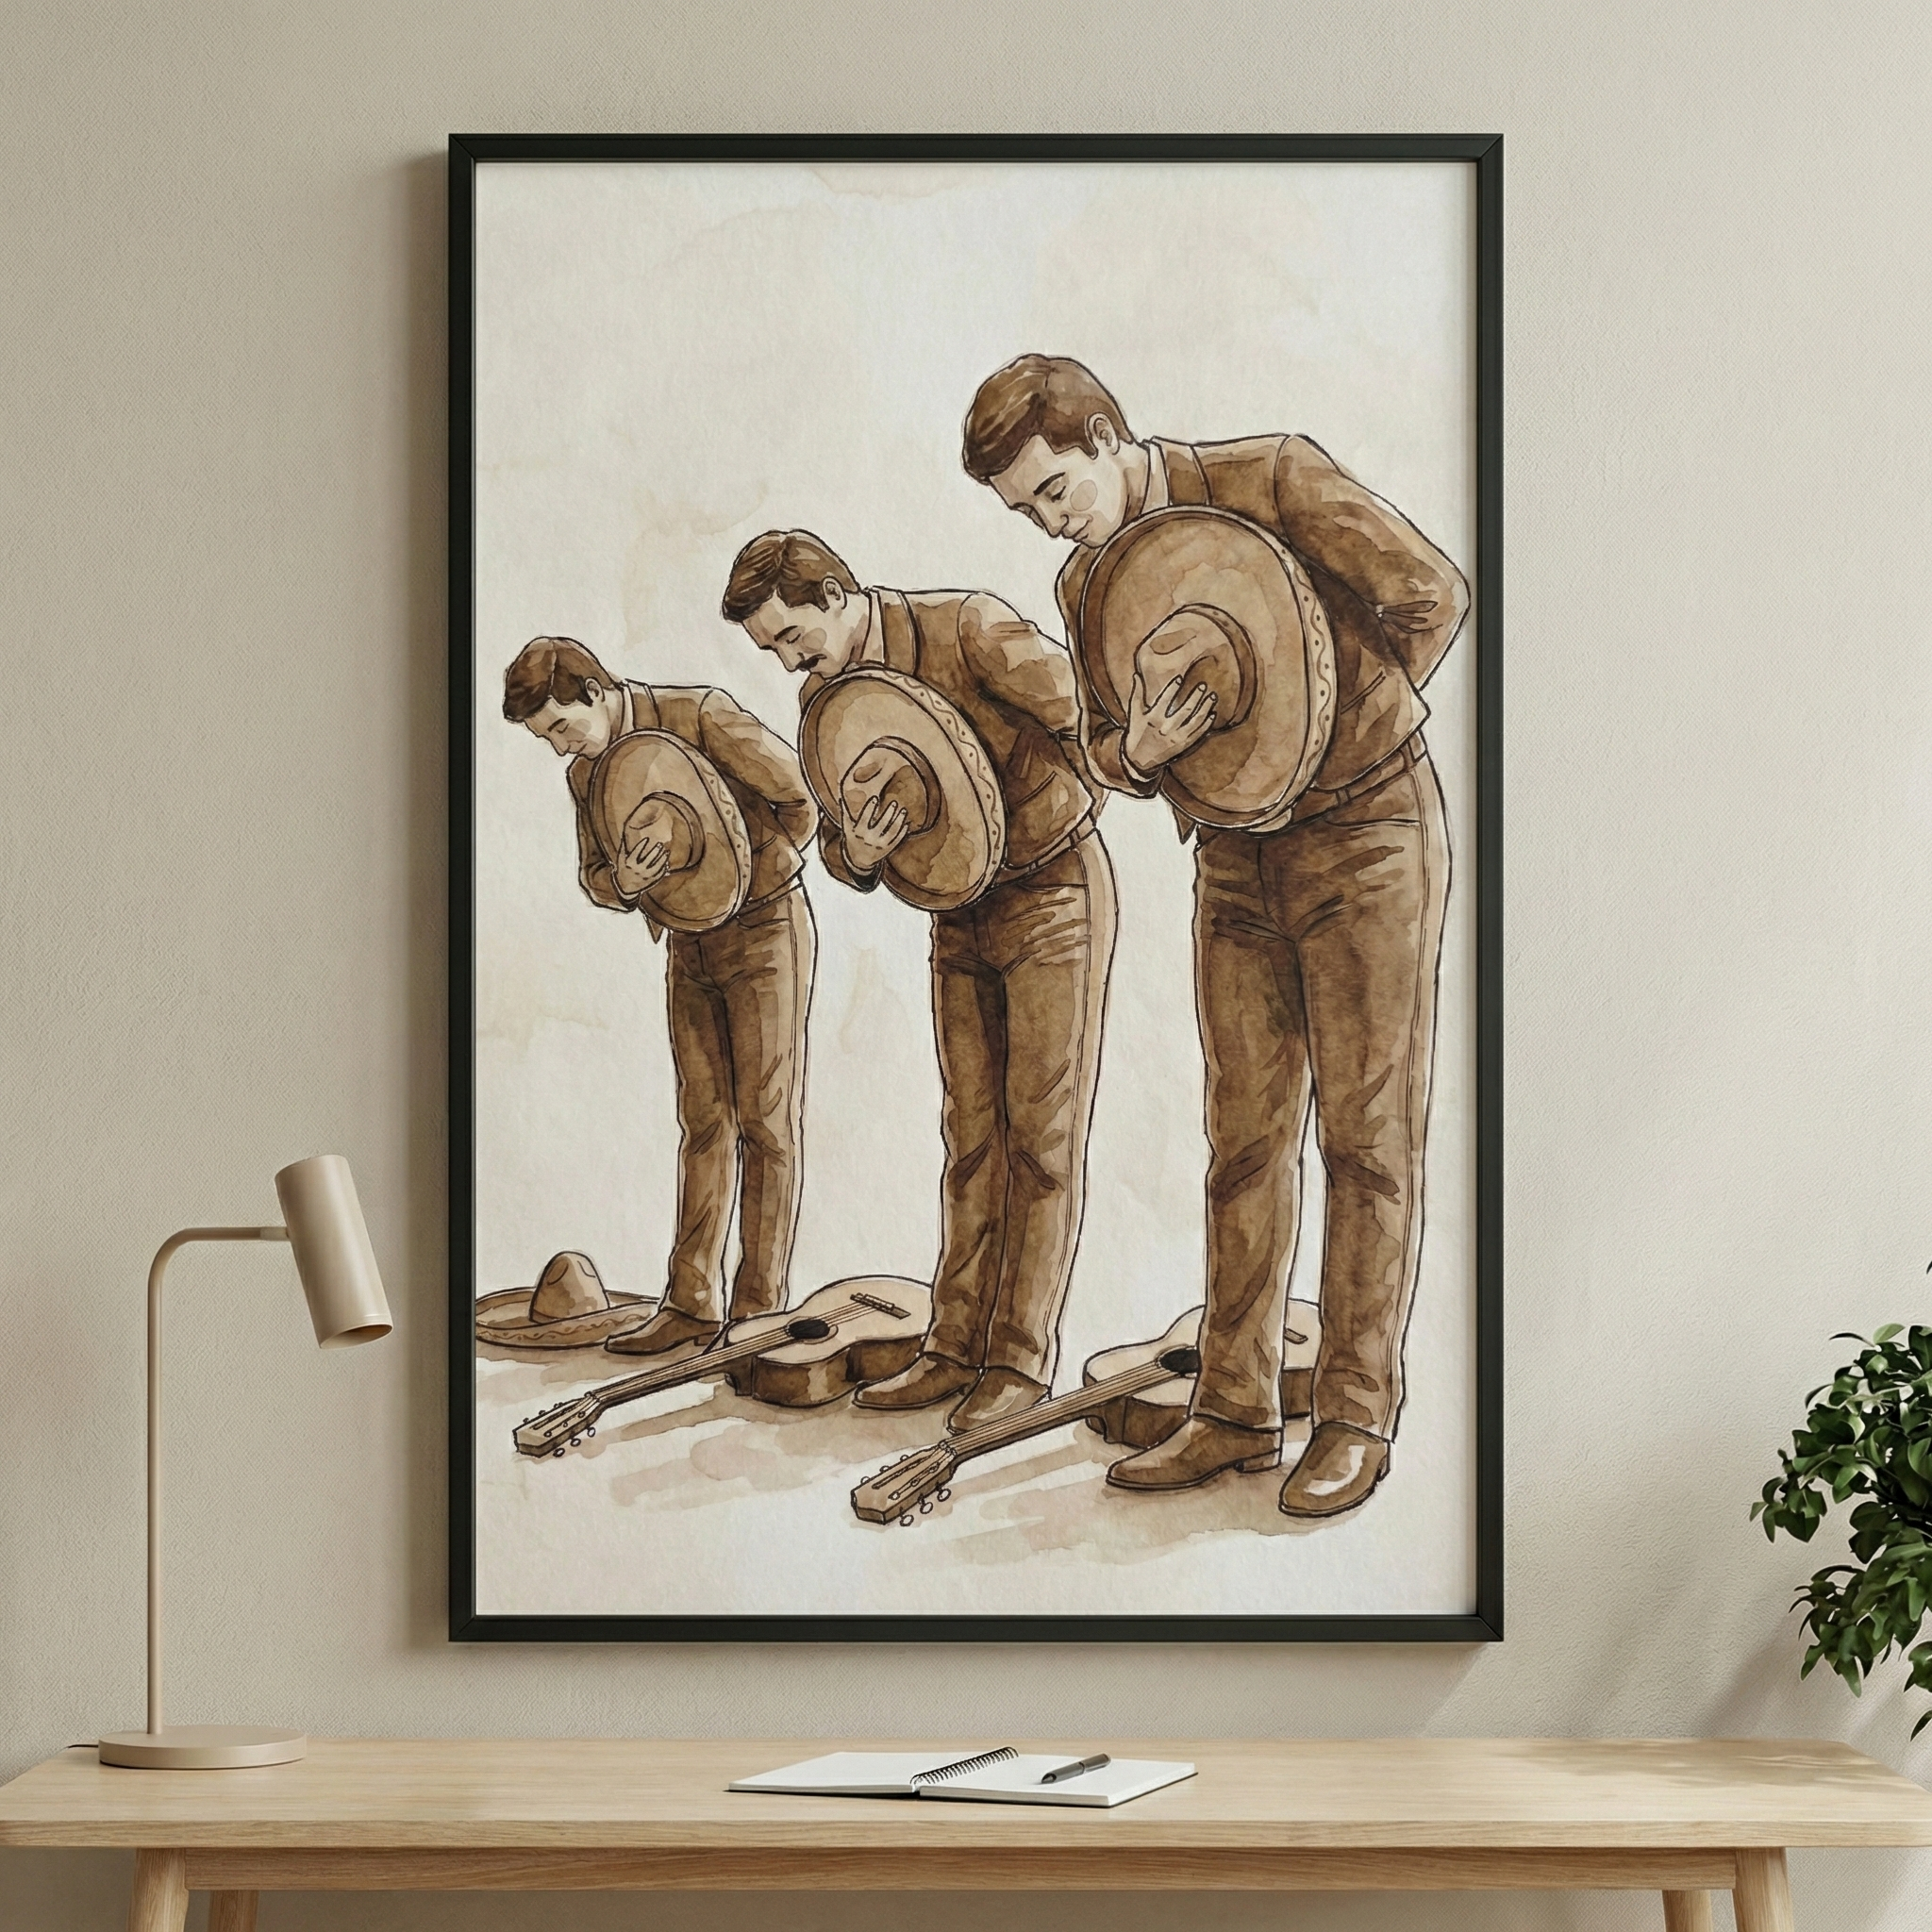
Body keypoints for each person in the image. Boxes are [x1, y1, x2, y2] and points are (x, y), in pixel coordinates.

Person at [963, 355, 1468, 1517]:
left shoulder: (1272, 477)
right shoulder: (1087, 585)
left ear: (1104, 436)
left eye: (1052, 492)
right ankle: (1234, 1407)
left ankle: (1352, 1416)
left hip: (1369, 835)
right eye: (1024, 512)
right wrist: (1137, 754)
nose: (1049, 525)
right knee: (1241, 1138)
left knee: (1367, 1138)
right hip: (1233, 862)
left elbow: (1431, 593)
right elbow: (1098, 745)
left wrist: (1322, 726)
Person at [722, 530, 1116, 1434]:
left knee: (1041, 1140)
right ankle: (953, 1346)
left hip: (1054, 891)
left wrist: (1029, 811)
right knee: (971, 1135)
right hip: (957, 917)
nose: (788, 662)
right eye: (771, 650)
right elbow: (836, 842)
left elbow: (1089, 719)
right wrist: (859, 855)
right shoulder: (828, 703)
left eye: (790, 637)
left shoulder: (968, 627)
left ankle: (1018, 1362)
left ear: (835, 595)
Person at [503, 635, 817, 1355]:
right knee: (703, 1121)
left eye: (561, 727)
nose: (560, 747)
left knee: (767, 1122)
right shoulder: (586, 773)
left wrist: (743, 876)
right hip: (686, 944)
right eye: (547, 739)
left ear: (595, 692)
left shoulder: (699, 713)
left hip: (766, 930)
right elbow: (594, 876)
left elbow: (797, 796)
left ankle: (758, 1312)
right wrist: (626, 884)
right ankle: (691, 1304)